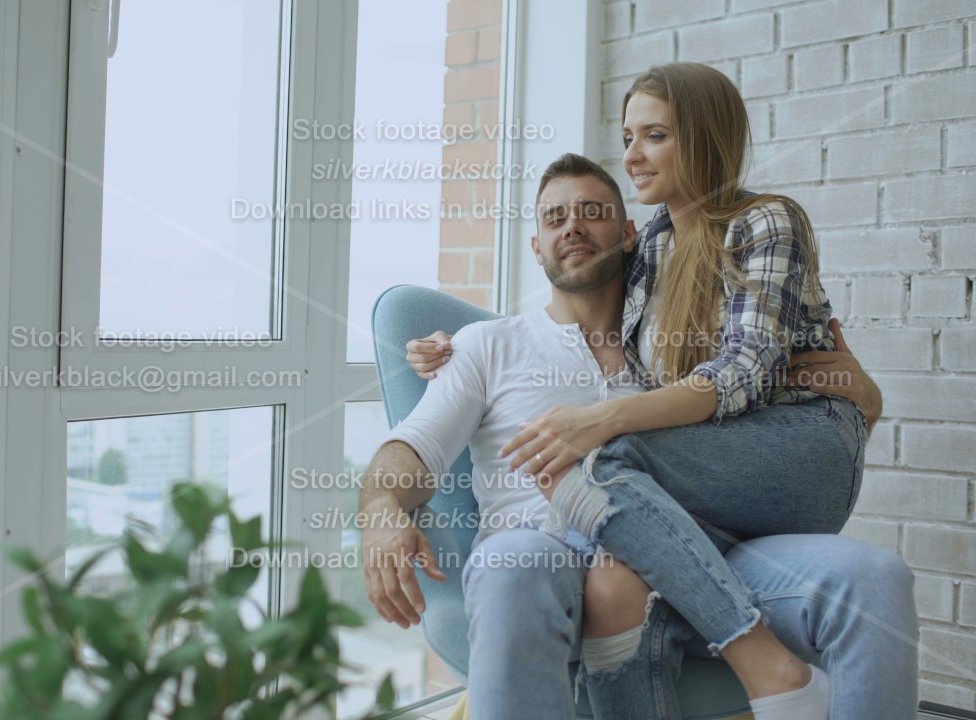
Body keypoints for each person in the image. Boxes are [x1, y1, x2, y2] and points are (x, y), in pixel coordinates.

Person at [365, 152, 917, 718]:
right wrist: (383, 509)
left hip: (699, 556)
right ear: (537, 248)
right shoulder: (485, 346)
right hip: (549, 556)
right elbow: (411, 448)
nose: (572, 226)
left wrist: (863, 400)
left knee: (875, 579)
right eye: (554, 218)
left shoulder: (687, 346)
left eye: (592, 212)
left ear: (631, 235)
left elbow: (770, 454)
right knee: (512, 565)